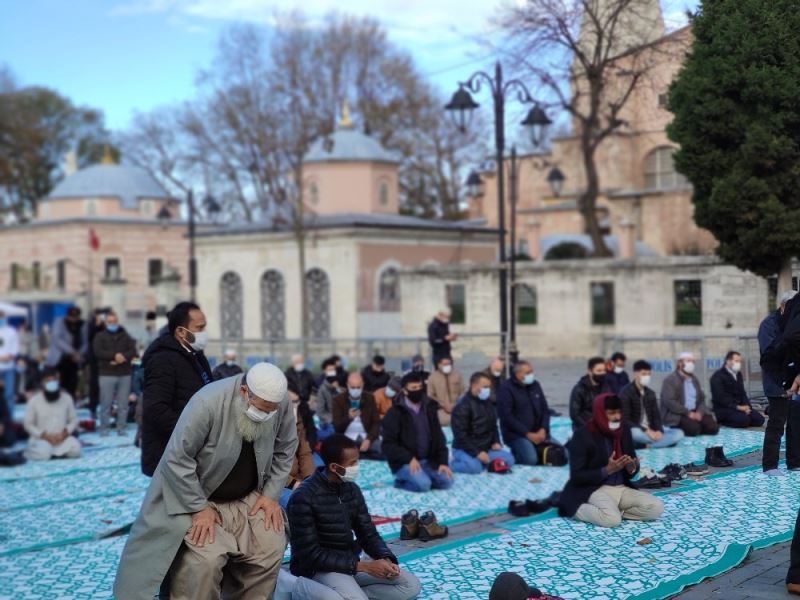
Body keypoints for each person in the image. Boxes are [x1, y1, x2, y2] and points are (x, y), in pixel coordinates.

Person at [114, 362, 297, 600]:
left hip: (248, 499)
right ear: (244, 392)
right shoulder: (207, 402)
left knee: (270, 546)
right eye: (262, 409)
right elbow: (177, 459)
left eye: (271, 411)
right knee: (205, 560)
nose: (267, 416)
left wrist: (270, 495)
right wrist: (198, 507)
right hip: (199, 498)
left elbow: (286, 448)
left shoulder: (277, 403)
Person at [288, 434, 421, 600]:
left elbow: (368, 533)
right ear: (334, 467)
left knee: (411, 585)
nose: (357, 467)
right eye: (352, 463)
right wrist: (364, 566)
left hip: (351, 564)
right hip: (317, 569)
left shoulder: (351, 489)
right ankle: (303, 590)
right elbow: (309, 554)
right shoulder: (304, 497)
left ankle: (351, 594)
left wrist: (385, 558)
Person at [558, 393, 664, 528]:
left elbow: (631, 464)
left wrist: (632, 467)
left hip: (621, 488)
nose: (617, 417)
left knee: (656, 507)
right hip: (595, 489)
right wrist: (607, 470)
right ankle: (573, 507)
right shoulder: (583, 435)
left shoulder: (623, 430)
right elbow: (578, 476)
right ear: (600, 413)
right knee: (612, 520)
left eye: (619, 412)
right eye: (611, 413)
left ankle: (616, 511)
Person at [140, 301, 213, 477]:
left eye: (205, 327)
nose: (203, 333)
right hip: (170, 452)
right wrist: (190, 433)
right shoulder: (162, 361)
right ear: (181, 331)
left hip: (194, 450)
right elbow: (155, 409)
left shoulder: (194, 354)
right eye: (199, 328)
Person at [381, 372, 453, 493]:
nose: (418, 390)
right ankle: (401, 482)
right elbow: (388, 445)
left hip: (427, 460)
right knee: (424, 485)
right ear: (404, 390)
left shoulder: (429, 408)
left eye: (420, 387)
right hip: (405, 462)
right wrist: (409, 458)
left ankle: (424, 476)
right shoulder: (395, 412)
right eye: (413, 388)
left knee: (447, 481)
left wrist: (443, 462)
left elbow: (439, 437)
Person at [760, 291, 799, 475]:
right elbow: (771, 357)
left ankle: (794, 461)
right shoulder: (769, 325)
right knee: (776, 424)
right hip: (777, 383)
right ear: (783, 306)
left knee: (794, 423)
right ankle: (770, 465)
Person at [451, 372, 515, 474]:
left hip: (486, 447)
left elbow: (493, 426)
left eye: (489, 387)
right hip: (465, 448)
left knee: (509, 459)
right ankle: (452, 464)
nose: (488, 390)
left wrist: (496, 441)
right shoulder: (462, 406)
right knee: (475, 468)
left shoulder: (487, 402)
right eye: (485, 387)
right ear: (474, 386)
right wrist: (477, 453)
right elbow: (460, 435)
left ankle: (483, 462)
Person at [497, 361, 553, 466]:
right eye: (528, 373)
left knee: (563, 454)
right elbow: (506, 416)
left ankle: (537, 450)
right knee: (531, 460)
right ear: (518, 374)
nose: (531, 375)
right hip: (517, 434)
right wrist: (527, 434)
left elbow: (545, 410)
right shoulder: (506, 388)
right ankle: (519, 453)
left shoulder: (535, 385)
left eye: (532, 371)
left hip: (539, 432)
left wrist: (543, 429)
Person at [619, 360, 685, 449]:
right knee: (634, 433)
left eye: (648, 374)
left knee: (679, 433)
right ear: (635, 374)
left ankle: (648, 445)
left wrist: (659, 431)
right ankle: (662, 443)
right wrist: (646, 431)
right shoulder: (626, 393)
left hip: (652, 430)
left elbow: (656, 417)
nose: (647, 377)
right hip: (638, 429)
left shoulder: (650, 393)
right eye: (644, 374)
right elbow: (625, 420)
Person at [93, 312, 137, 436]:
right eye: (110, 322)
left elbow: (133, 350)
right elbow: (98, 352)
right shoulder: (100, 336)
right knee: (105, 403)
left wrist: (122, 357)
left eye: (115, 321)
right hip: (106, 373)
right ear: (106, 323)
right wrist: (114, 356)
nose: (113, 324)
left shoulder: (125, 336)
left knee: (123, 404)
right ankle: (104, 428)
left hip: (124, 373)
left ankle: (121, 428)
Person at [23, 367, 81, 460]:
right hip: (41, 439)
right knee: (44, 454)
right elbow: (28, 424)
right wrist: (43, 435)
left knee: (76, 450)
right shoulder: (34, 401)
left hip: (61, 439)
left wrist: (65, 433)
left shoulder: (66, 398)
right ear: (42, 382)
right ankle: (33, 452)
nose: (52, 382)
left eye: (54, 380)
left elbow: (73, 420)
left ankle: (55, 453)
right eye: (48, 380)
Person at [660, 352, 719, 437]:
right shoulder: (670, 380)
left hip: (695, 411)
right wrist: (688, 413)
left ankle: (698, 425)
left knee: (713, 428)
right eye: (688, 361)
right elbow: (670, 402)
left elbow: (701, 399)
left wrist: (700, 412)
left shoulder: (694, 379)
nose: (691, 364)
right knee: (694, 429)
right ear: (679, 363)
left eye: (692, 362)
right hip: (679, 414)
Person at [710, 351, 765, 428]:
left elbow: (742, 393)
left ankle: (741, 418)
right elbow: (721, 398)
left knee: (760, 420)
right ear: (728, 361)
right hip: (724, 409)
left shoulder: (738, 374)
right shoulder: (718, 376)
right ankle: (723, 422)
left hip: (739, 408)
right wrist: (738, 407)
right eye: (736, 361)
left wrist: (748, 407)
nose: (739, 363)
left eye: (740, 361)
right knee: (744, 420)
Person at [281, 389, 316, 509]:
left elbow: (304, 452)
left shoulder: (297, 419)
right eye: (290, 403)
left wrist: (309, 479)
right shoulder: (270, 424)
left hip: (298, 476)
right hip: (279, 482)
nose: (294, 406)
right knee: (300, 504)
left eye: (296, 402)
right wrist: (292, 483)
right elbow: (269, 466)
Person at [333, 372, 382, 457]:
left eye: (358, 387)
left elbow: (376, 422)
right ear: (347, 385)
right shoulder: (338, 400)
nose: (355, 390)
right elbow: (337, 426)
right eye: (353, 387)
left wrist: (369, 439)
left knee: (383, 448)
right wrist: (349, 417)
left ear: (363, 385)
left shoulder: (369, 398)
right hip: (347, 437)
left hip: (366, 435)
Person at [46, 307, 88, 400]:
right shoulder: (59, 322)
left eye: (76, 317)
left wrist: (79, 354)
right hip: (60, 359)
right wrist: (72, 352)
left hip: (75, 360)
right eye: (72, 317)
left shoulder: (82, 325)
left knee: (73, 384)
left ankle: (71, 404)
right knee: (59, 384)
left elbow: (85, 342)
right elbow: (57, 339)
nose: (74, 319)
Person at [569, 357, 610, 430]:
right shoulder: (579, 389)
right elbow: (574, 415)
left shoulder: (606, 387)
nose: (602, 373)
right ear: (590, 371)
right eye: (599, 371)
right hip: (584, 427)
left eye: (604, 370)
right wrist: (589, 427)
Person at [426, 356, 465, 426]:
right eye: (445, 364)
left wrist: (455, 404)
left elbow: (462, 392)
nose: (448, 366)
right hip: (441, 412)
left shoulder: (457, 375)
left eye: (449, 364)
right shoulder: (432, 377)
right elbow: (430, 395)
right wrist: (443, 405)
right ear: (439, 365)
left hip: (457, 411)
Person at [317, 358, 343, 442]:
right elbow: (320, 412)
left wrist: (338, 389)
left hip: (342, 419)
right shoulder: (322, 389)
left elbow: (345, 404)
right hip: (329, 422)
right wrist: (333, 420)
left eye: (333, 370)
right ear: (325, 371)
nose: (332, 372)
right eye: (329, 370)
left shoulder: (340, 385)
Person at [0, 310, 19, 417]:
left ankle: (10, 418)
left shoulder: (12, 331)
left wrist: (7, 357)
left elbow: (15, 351)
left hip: (8, 368)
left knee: (9, 394)